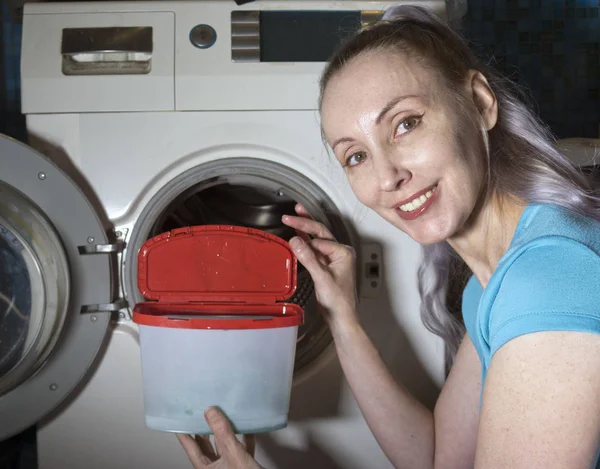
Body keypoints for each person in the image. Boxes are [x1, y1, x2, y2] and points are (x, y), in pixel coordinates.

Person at [176, 5, 600, 468]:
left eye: (405, 124)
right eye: (356, 156)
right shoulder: (492, 281)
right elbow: (438, 457)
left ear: (479, 102)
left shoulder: (544, 282)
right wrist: (342, 316)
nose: (388, 176)